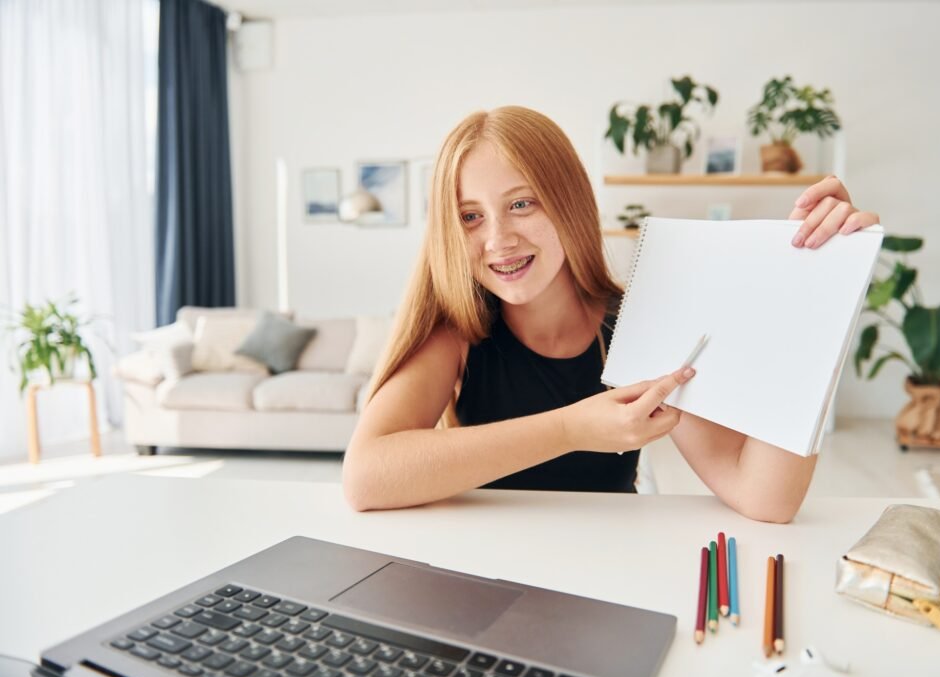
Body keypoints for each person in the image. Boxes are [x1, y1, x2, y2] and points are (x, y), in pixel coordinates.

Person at [343, 106, 880, 521]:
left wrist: (819, 290)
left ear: (569, 200)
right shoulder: (457, 331)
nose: (498, 240)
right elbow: (366, 477)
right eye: (469, 216)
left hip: (609, 578)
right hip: (483, 573)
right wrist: (571, 428)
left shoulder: (641, 322)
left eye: (521, 204)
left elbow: (765, 498)